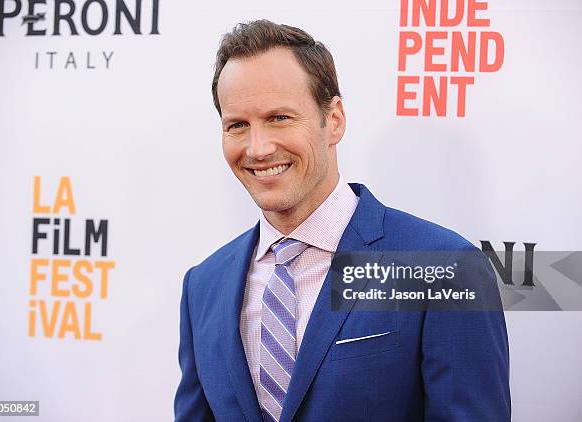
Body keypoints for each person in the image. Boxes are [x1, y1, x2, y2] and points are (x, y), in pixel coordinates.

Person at [174, 19, 510, 421]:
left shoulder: (443, 269)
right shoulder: (204, 285)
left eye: (280, 117)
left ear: (333, 120)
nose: (258, 148)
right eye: (238, 125)